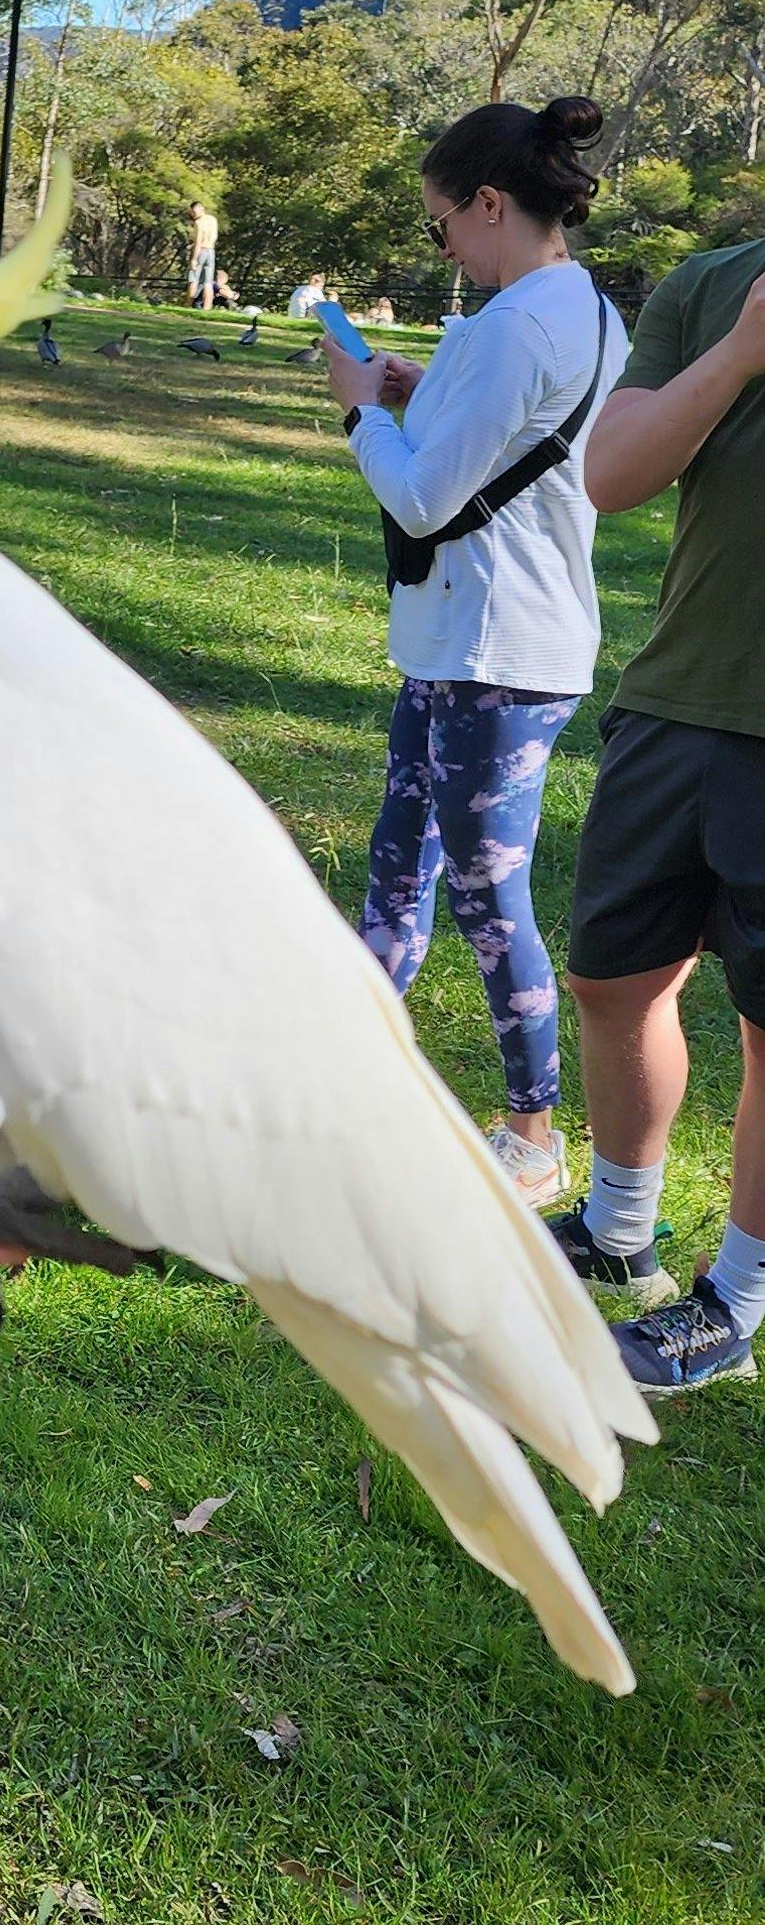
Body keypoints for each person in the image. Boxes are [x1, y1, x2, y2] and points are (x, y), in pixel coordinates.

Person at [324, 95, 625, 1208]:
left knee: (483, 896)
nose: (440, 245)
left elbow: (419, 492)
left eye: (439, 223)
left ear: (490, 204)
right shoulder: (579, 309)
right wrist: (414, 388)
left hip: (495, 652)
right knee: (396, 868)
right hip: (474, 641)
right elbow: (506, 438)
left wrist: (361, 411)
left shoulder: (514, 325)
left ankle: (532, 1133)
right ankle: (346, 1085)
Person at [546, 212, 765, 1388]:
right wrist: (736, 352)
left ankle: (732, 1301)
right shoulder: (709, 285)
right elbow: (615, 472)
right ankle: (616, 1227)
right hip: (678, 700)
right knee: (612, 979)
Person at [186, 196, 218, 310]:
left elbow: (198, 241)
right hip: (211, 250)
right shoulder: (213, 220)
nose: (194, 214)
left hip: (202, 251)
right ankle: (207, 308)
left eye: (194, 211)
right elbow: (214, 236)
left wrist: (194, 258)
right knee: (208, 282)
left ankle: (189, 305)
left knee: (193, 279)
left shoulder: (199, 223)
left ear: (201, 209)